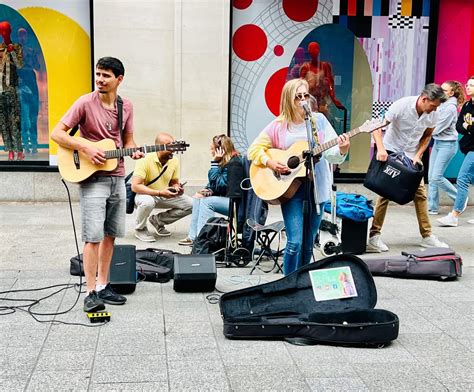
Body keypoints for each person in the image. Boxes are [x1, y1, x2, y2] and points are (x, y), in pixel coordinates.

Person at [51, 57, 144, 312]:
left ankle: (103, 284)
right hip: (91, 179)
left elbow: (128, 140)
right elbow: (57, 133)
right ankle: (90, 291)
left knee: (110, 235)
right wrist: (85, 146)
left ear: (119, 79)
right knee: (92, 237)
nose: (100, 79)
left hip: (117, 176)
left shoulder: (127, 106)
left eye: (106, 75)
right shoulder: (84, 102)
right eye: (98, 74)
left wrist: (134, 152)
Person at [248, 78, 350, 275]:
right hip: (290, 188)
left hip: (316, 188)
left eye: (305, 95)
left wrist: (342, 149)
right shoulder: (278, 125)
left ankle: (302, 281)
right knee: (294, 241)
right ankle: (288, 281)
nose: (303, 100)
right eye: (298, 97)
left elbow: (331, 153)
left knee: (309, 242)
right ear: (288, 99)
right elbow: (253, 150)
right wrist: (270, 162)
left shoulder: (317, 121)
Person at [367, 83, 449, 252]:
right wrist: (381, 149)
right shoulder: (402, 105)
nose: (435, 110)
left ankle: (427, 236)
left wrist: (418, 155)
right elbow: (376, 125)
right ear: (424, 99)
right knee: (385, 194)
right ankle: (374, 236)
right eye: (433, 106)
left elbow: (427, 136)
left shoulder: (434, 113)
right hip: (391, 150)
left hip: (411, 154)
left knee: (420, 194)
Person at [178, 134, 243, 246]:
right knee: (199, 198)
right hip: (228, 200)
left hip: (237, 204)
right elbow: (215, 184)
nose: (210, 150)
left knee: (207, 202)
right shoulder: (225, 163)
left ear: (220, 150)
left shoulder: (234, 163)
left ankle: (202, 240)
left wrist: (214, 163)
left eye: (212, 148)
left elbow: (220, 185)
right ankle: (193, 237)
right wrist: (207, 191)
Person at [131, 132, 192, 242]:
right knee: (147, 202)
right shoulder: (144, 159)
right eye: (169, 146)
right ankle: (140, 229)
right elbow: (135, 186)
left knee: (192, 204)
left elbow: (174, 182)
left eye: (174, 145)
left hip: (164, 194)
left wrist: (177, 187)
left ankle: (158, 221)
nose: (173, 149)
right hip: (145, 195)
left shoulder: (174, 161)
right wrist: (159, 193)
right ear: (159, 148)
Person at [437, 76, 474, 227]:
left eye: (472, 85)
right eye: (468, 84)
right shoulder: (466, 106)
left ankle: (454, 214)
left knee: (463, 179)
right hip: (468, 146)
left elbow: (467, 127)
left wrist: (468, 127)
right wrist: (468, 128)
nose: (468, 87)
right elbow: (459, 126)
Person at [428, 81, 466, 215]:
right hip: (438, 143)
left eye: (444, 90)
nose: (440, 91)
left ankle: (460, 198)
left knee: (436, 177)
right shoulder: (442, 104)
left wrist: (422, 132)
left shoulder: (450, 108)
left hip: (447, 145)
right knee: (431, 177)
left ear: (451, 93)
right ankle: (432, 207)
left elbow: (437, 129)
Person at [299, 41, 344, 117]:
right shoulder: (305, 67)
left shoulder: (325, 66)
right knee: (309, 120)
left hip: (323, 101)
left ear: (318, 50)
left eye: (315, 48)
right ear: (309, 51)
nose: (313, 51)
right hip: (309, 100)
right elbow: (300, 85)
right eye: (311, 49)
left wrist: (334, 98)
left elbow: (330, 83)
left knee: (322, 121)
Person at [0, 21, 24, 161]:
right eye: (2, 31)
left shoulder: (16, 47)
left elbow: (20, 66)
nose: (4, 33)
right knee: (3, 121)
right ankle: (9, 150)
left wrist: (12, 53)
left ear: (10, 31)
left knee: (15, 120)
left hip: (12, 89)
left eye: (6, 30)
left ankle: (19, 149)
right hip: (0, 89)